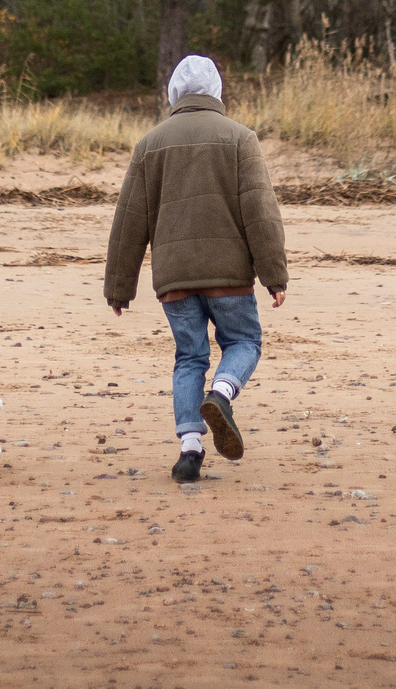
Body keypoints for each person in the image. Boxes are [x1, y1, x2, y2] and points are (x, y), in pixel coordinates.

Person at [103, 53, 289, 484]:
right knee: (243, 341)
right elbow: (261, 213)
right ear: (216, 90)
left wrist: (119, 287)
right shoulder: (240, 138)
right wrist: (274, 275)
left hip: (174, 279)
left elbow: (129, 222)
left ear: (173, 93)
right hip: (229, 277)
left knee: (189, 357)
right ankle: (221, 393)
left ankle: (190, 450)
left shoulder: (149, 144)